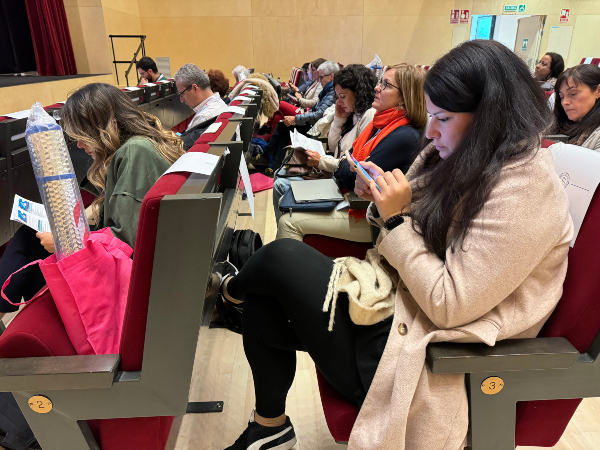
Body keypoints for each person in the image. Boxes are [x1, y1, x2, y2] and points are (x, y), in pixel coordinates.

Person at [219, 40, 572, 450]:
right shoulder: (467, 157)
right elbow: (409, 223)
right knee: (263, 304)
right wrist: (380, 200)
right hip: (401, 310)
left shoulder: (526, 188)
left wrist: (394, 218)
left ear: (491, 115)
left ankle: (226, 294)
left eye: (442, 117)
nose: (430, 131)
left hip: (430, 359)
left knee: (280, 257)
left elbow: (449, 304)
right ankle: (270, 426)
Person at [0, 83, 185, 319]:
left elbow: (124, 244)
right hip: (150, 266)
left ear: (104, 126)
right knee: (30, 238)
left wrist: (64, 245)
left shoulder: (135, 151)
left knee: (28, 243)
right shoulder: (142, 145)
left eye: (82, 134)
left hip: (129, 278)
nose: (79, 144)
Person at [275, 64, 426, 242]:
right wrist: (347, 164)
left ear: (405, 95)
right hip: (350, 196)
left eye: (386, 85)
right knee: (284, 194)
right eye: (380, 82)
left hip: (370, 215)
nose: (377, 88)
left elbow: (353, 175)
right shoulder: (380, 123)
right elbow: (348, 160)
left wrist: (346, 165)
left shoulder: (404, 135)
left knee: (288, 221)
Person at [272, 64, 378, 217]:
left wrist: (322, 162)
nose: (339, 102)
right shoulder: (353, 113)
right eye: (338, 97)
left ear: (358, 93)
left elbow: (353, 163)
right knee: (280, 173)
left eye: (343, 97)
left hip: (342, 185)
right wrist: (339, 119)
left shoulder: (369, 116)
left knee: (280, 184)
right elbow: (334, 146)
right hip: (335, 172)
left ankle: (289, 226)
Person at [266, 61, 338, 171]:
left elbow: (319, 114)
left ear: (331, 76)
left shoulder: (332, 91)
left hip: (316, 130)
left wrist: (296, 118)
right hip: (313, 124)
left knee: (284, 125)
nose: (319, 80)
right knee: (282, 125)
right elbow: (317, 110)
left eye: (321, 77)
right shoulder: (328, 89)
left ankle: (269, 159)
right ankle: (273, 164)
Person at [554, 64, 600, 150]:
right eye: (562, 96)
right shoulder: (560, 125)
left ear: (598, 91)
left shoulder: (597, 136)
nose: (564, 102)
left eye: (573, 94)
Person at [174, 64, 227, 132]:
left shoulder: (203, 119)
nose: (182, 100)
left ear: (194, 88)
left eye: (182, 94)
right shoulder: (220, 104)